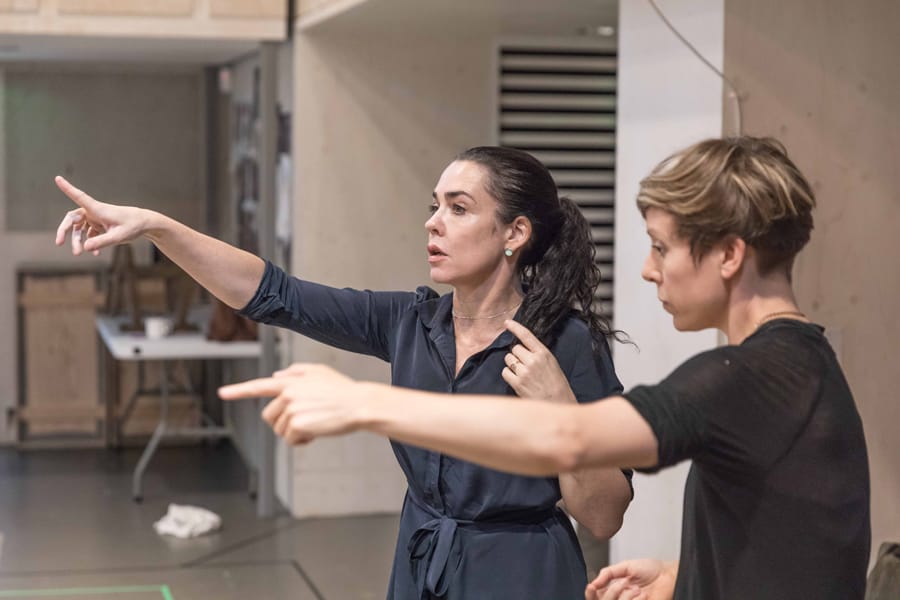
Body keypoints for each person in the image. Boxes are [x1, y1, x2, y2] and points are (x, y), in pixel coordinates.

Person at [219, 137, 872, 600]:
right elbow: (784, 543)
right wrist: (684, 577)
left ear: (729, 255)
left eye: (661, 248)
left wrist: (361, 404)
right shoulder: (793, 363)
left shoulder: (750, 375)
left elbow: (571, 441)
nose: (648, 269)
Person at [54, 146, 633, 600]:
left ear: (515, 233)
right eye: (433, 206)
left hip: (520, 574)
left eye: (458, 209)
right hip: (420, 563)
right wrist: (157, 226)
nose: (433, 223)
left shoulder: (564, 343)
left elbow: (603, 515)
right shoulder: (409, 322)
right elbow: (274, 294)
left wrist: (559, 407)